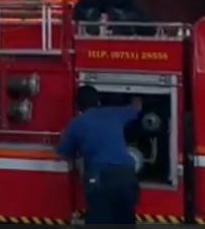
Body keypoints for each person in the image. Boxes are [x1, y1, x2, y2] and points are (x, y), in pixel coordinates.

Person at [57, 85, 142, 225]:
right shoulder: (115, 113)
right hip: (126, 177)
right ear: (98, 102)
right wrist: (137, 93)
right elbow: (136, 107)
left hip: (101, 180)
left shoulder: (76, 123)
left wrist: (63, 137)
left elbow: (64, 153)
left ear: (78, 106)